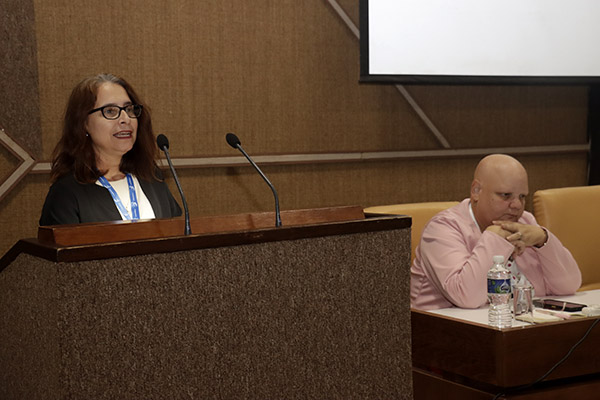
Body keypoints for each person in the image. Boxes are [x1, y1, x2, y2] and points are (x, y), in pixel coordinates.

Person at [411, 154, 581, 310]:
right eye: (506, 195)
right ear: (476, 191)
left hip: (512, 329)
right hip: (443, 334)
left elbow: (569, 285)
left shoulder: (525, 221)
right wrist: (495, 236)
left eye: (522, 196)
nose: (517, 205)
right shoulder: (442, 227)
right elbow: (467, 297)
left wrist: (543, 239)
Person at [39, 73, 182, 225]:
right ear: (83, 123)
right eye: (110, 111)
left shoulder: (152, 177)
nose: (125, 119)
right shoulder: (66, 194)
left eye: (129, 109)